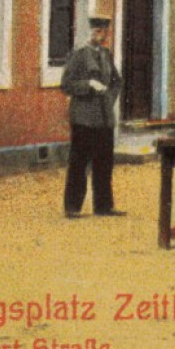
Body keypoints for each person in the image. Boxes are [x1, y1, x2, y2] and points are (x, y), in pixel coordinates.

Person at [61, 16, 123, 218]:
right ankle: (73, 207)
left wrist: (109, 98)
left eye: (104, 32)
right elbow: (66, 84)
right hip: (84, 118)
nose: (101, 35)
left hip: (105, 118)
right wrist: (88, 86)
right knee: (79, 163)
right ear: (90, 32)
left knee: (104, 162)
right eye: (97, 31)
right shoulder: (79, 54)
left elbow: (116, 82)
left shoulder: (106, 55)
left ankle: (104, 206)